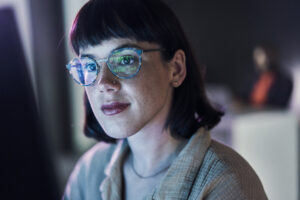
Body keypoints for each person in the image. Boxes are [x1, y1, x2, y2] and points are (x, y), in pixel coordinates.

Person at [63, 0, 267, 199]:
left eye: (125, 60)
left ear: (175, 69)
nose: (103, 83)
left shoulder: (225, 182)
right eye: (89, 66)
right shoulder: (88, 172)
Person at [236, 44, 293, 109]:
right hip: (249, 113)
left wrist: (253, 106)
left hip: (269, 116)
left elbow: (278, 104)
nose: (256, 59)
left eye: (259, 55)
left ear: (270, 56)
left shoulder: (284, 80)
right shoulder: (254, 78)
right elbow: (243, 95)